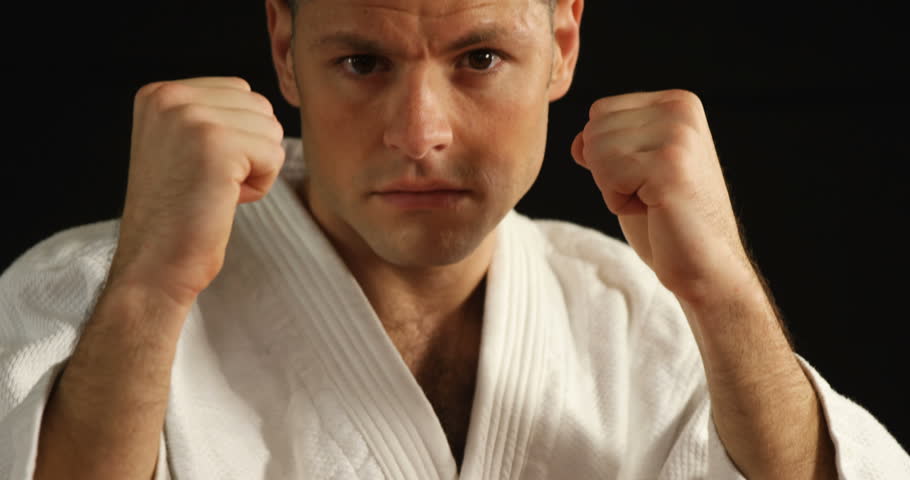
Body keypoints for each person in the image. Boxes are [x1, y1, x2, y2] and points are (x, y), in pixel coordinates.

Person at [1, 0, 907, 478]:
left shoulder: (643, 319)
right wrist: (152, 292)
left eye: (479, 59)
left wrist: (724, 294)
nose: (419, 132)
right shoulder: (85, 298)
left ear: (562, 44)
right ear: (284, 50)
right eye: (363, 62)